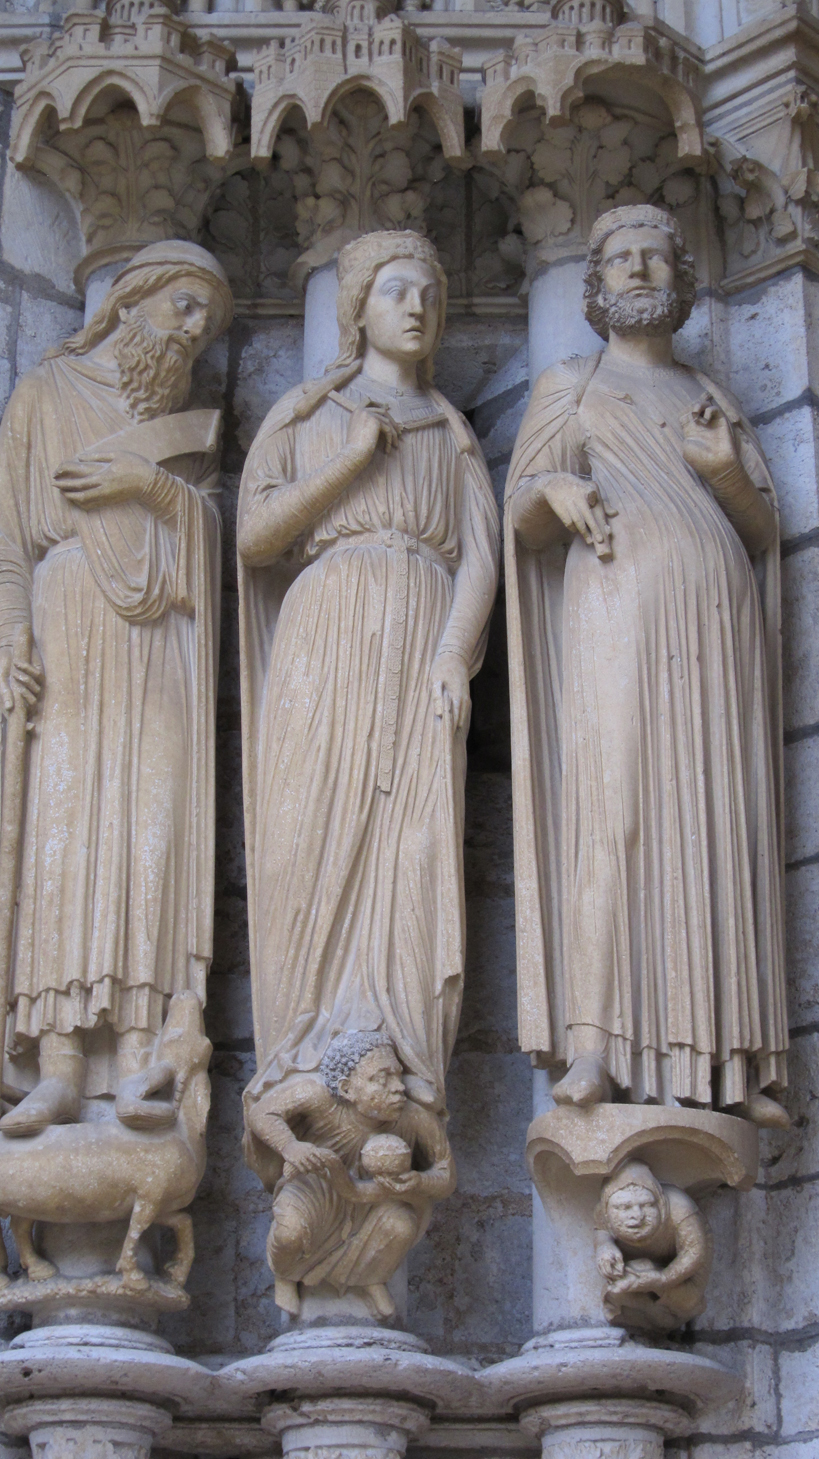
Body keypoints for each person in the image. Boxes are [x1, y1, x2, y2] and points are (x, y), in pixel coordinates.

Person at [506, 203, 788, 1127]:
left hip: (713, 623)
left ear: (681, 281)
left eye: (655, 258)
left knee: (712, 817)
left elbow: (760, 531)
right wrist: (551, 485)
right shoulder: (570, 386)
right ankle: (595, 1044)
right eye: (619, 259)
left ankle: (731, 1060)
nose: (637, 270)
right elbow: (519, 517)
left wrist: (728, 473)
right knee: (613, 810)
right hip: (615, 610)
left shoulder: (714, 400)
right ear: (591, 286)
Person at [238, 231, 499, 1117]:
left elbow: (479, 559)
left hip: (421, 632)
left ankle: (395, 1042)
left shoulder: (452, 430)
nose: (417, 306)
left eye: (429, 290)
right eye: (395, 290)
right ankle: (302, 1045)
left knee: (411, 837)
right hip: (326, 630)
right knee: (308, 827)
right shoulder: (307, 415)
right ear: (356, 309)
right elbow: (255, 538)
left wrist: (453, 655)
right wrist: (350, 458)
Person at [0, 241, 233, 1133]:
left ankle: (140, 1048)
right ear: (128, 303)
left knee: (152, 831)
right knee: (67, 831)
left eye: (205, 324)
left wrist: (158, 488)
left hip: (163, 642)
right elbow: (12, 538)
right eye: (180, 308)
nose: (190, 332)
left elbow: (208, 548)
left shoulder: (187, 433)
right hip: (69, 631)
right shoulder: (45, 397)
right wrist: (13, 630)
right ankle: (61, 1059)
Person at [244, 1030, 455, 1318]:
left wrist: (418, 1181)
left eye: (397, 1076)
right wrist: (290, 1147)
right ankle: (285, 1273)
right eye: (382, 1079)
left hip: (374, 1197)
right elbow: (261, 1113)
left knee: (401, 1226)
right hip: (315, 1186)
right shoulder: (317, 1096)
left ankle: (368, 1278)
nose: (399, 1088)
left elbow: (445, 1176)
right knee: (291, 1232)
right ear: (346, 1089)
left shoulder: (415, 1118)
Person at [594, 1159, 712, 1330]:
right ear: (607, 1209)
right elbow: (601, 1230)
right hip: (642, 1266)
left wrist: (662, 1279)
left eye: (647, 1205)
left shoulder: (681, 1208)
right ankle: (652, 1314)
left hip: (685, 1271)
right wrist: (604, 1247)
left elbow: (694, 1252)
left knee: (689, 1299)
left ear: (660, 1202)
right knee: (617, 1290)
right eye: (624, 1207)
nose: (637, 1215)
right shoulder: (602, 1211)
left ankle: (665, 1314)